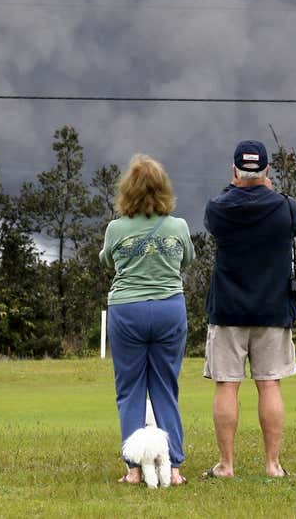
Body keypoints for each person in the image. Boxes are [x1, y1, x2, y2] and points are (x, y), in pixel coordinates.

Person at [201, 139, 296, 480]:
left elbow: (215, 215)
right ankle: (273, 465)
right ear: (267, 170)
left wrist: (238, 187)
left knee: (227, 386)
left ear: (235, 170)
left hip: (228, 310)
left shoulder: (219, 208)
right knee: (270, 384)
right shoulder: (286, 208)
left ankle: (226, 465)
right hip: (273, 310)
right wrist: (268, 191)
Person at [99, 153, 196, 486]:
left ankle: (134, 469)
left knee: (130, 391)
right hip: (170, 308)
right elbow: (188, 258)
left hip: (127, 311)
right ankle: (175, 468)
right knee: (166, 388)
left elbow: (106, 260)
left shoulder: (116, 228)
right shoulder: (179, 226)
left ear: (127, 191)